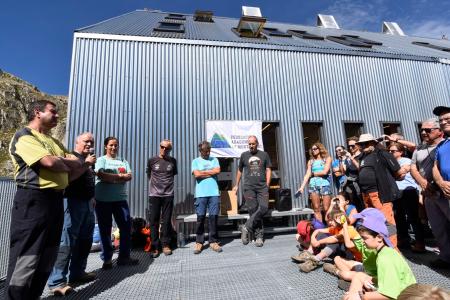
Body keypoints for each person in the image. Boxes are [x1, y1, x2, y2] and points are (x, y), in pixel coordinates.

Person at [6, 100, 82, 299]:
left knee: (47, 255)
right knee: (27, 258)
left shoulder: (54, 142)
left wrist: (61, 163)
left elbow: (75, 163)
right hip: (33, 200)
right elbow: (49, 162)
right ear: (37, 112)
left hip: (56, 201)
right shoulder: (24, 136)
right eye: (53, 112)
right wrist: (62, 163)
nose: (57, 116)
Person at [47, 132, 97, 295]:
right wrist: (86, 164)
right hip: (72, 202)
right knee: (67, 240)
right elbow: (67, 179)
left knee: (85, 240)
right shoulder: (71, 158)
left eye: (91, 141)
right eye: (86, 141)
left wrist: (92, 198)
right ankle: (57, 281)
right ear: (77, 142)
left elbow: (89, 180)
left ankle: (78, 272)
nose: (89, 144)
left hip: (88, 204)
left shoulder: (89, 160)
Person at [343, 208, 416, 300]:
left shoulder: (385, 258)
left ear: (379, 237)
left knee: (351, 297)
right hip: (399, 292)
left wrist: (361, 295)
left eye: (365, 238)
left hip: (403, 297)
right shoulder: (384, 252)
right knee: (359, 276)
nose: (362, 241)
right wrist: (373, 280)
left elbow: (390, 295)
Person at [95, 136, 138, 268]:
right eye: (111, 145)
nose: (114, 147)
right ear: (105, 146)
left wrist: (111, 178)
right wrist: (119, 177)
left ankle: (124, 257)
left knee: (125, 228)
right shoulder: (101, 160)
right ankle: (107, 259)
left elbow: (129, 176)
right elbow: (101, 175)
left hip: (120, 199)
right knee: (105, 229)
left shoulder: (123, 160)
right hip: (103, 200)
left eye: (116, 145)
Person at [356, 133, 403, 248]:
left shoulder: (382, 153)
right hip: (366, 194)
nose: (363, 146)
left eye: (366, 143)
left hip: (380, 193)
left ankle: (393, 249)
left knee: (387, 222)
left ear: (373, 142)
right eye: (361, 144)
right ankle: (378, 248)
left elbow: (398, 171)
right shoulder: (363, 157)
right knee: (372, 222)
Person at [233, 136, 272, 247]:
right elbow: (240, 170)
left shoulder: (264, 155)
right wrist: (236, 185)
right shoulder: (244, 155)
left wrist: (267, 184)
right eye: (249, 144)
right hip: (249, 188)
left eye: (253, 144)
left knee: (263, 208)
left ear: (257, 143)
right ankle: (258, 236)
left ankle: (246, 227)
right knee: (253, 210)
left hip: (262, 187)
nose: (251, 146)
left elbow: (268, 169)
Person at [297, 210, 362, 273]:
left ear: (340, 220)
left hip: (353, 257)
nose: (329, 222)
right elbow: (318, 230)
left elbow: (334, 238)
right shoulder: (336, 228)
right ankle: (309, 252)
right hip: (343, 252)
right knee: (320, 234)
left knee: (334, 242)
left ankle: (315, 260)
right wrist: (313, 238)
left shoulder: (348, 229)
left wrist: (318, 242)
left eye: (332, 220)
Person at [388, 142, 425, 252]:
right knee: (399, 217)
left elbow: (404, 174)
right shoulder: (390, 163)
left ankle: (420, 243)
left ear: (400, 152)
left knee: (413, 217)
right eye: (389, 151)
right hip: (396, 192)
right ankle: (404, 240)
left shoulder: (406, 161)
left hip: (408, 190)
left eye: (393, 151)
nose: (390, 152)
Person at [147, 139, 178, 257]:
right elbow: (149, 175)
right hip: (154, 195)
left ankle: (165, 245)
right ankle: (154, 247)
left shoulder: (173, 161)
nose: (164, 149)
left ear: (170, 149)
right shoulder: (152, 160)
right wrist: (155, 187)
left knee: (166, 220)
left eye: (167, 148)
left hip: (168, 195)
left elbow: (172, 175)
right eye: (162, 147)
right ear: (159, 146)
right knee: (153, 221)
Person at [191, 141, 222, 254]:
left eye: (209, 151)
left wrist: (203, 172)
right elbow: (197, 174)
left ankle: (213, 241)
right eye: (205, 151)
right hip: (201, 194)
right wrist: (211, 172)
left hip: (214, 192)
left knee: (213, 217)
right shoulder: (195, 161)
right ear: (200, 151)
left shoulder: (214, 160)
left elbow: (218, 170)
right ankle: (199, 242)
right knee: (200, 218)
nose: (208, 153)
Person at [431, 105, 450, 269]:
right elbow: (435, 167)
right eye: (441, 120)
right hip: (445, 192)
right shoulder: (442, 145)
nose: (443, 122)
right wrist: (440, 182)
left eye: (447, 119)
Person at [298, 143, 332, 224]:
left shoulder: (327, 158)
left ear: (320, 149)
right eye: (312, 149)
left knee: (326, 208)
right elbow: (307, 174)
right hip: (313, 185)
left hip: (325, 184)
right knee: (316, 208)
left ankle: (329, 226)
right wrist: (302, 187)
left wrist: (313, 174)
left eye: (315, 149)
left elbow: (325, 172)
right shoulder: (311, 161)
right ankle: (320, 228)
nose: (313, 151)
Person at [343, 137, 364, 212]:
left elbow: (361, 168)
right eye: (349, 146)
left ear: (358, 145)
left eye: (353, 145)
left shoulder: (362, 155)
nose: (350, 147)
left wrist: (352, 159)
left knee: (361, 203)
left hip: (359, 183)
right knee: (352, 204)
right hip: (349, 185)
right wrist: (342, 160)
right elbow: (344, 172)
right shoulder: (348, 158)